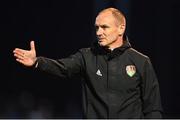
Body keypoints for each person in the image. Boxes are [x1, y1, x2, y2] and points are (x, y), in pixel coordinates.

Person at [13, 7, 163, 118]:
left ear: (121, 28)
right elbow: (63, 67)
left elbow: (153, 108)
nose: (98, 32)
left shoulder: (141, 61)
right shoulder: (86, 56)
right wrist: (37, 62)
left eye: (104, 27)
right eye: (97, 27)